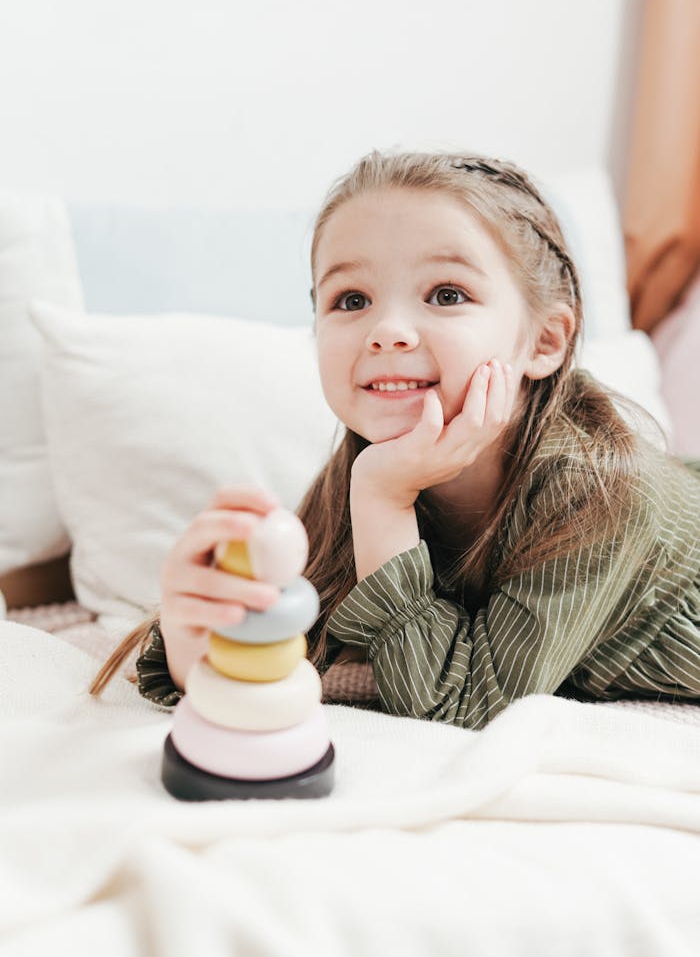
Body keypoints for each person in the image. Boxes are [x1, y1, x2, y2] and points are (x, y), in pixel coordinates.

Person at [90, 150, 700, 730]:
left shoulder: (595, 490)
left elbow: (460, 706)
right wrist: (198, 634)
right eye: (351, 299)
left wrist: (384, 501)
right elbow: (300, 645)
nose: (386, 331)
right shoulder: (377, 463)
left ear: (544, 341)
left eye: (447, 294)